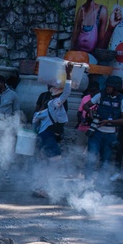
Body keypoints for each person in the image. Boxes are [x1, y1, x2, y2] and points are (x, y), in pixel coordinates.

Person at [31, 64, 74, 197]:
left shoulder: (45, 109)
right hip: (48, 136)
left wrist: (36, 133)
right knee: (55, 163)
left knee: (48, 163)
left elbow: (35, 121)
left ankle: (40, 186)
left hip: (44, 136)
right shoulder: (55, 103)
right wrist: (69, 75)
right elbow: (67, 92)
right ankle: (43, 188)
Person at [83, 75, 123, 181]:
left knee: (105, 161)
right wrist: (89, 111)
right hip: (96, 133)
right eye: (107, 86)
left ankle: (101, 185)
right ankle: (86, 184)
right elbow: (86, 105)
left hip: (110, 135)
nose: (107, 88)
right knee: (91, 159)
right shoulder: (101, 95)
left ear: (116, 88)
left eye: (110, 86)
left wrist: (109, 122)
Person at [75, 80, 100, 150]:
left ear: (98, 90)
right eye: (90, 91)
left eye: (94, 92)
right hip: (83, 128)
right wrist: (81, 120)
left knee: (91, 151)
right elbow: (79, 112)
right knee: (78, 150)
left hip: (95, 129)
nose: (91, 94)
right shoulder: (85, 98)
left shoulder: (101, 98)